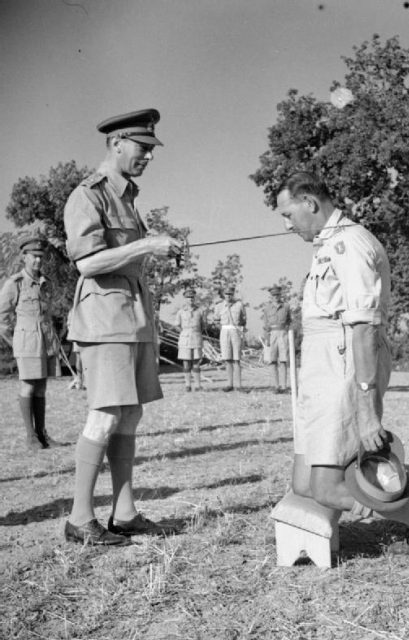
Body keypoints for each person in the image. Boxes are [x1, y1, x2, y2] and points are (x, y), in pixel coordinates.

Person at [274, 171, 409, 577]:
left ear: (309, 202)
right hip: (320, 364)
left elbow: (364, 330)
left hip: (343, 363)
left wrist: (366, 413)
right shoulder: (328, 244)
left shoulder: (351, 245)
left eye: (286, 213)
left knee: (327, 487)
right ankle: (397, 505)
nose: (285, 224)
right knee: (304, 484)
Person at [62, 108, 184, 546]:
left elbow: (129, 256)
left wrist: (155, 249)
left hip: (133, 318)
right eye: (143, 147)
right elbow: (87, 262)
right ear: (117, 144)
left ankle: (125, 512)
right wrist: (149, 243)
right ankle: (79, 518)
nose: (148, 156)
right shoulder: (87, 195)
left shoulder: (126, 195)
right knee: (106, 413)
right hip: (105, 320)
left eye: (151, 149)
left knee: (130, 413)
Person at [0, 236, 62, 451]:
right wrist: (17, 341)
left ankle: (43, 434)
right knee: (28, 385)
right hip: (27, 341)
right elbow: (2, 319)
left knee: (42, 386)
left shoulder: (45, 283)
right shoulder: (14, 283)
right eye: (34, 257)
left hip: (45, 340)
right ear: (24, 257)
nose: (38, 261)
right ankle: (30, 436)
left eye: (41, 257)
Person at [214, 286, 246, 391]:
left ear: (233, 294)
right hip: (224, 331)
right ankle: (229, 384)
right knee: (227, 359)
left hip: (235, 331)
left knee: (236, 359)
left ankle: (239, 385)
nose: (228, 296)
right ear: (223, 294)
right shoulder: (219, 306)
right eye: (226, 294)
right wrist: (223, 329)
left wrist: (238, 330)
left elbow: (243, 320)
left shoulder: (239, 305)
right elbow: (216, 321)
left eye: (230, 294)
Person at [261, 285, 291, 393]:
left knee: (283, 361)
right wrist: (266, 339)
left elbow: (289, 321)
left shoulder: (286, 307)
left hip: (283, 334)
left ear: (280, 295)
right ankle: (276, 386)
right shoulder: (267, 308)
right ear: (271, 296)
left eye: (277, 295)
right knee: (272, 361)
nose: (275, 297)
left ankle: (284, 386)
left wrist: (287, 333)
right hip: (272, 334)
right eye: (273, 295)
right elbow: (265, 325)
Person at [175, 288, 205, 392]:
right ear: (185, 299)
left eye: (192, 297)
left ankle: (197, 385)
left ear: (194, 298)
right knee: (186, 362)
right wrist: (184, 332)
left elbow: (203, 325)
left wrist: (195, 332)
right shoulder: (181, 312)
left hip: (196, 337)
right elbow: (177, 325)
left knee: (196, 362)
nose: (190, 299)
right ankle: (187, 385)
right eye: (188, 297)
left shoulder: (200, 311)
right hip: (185, 338)